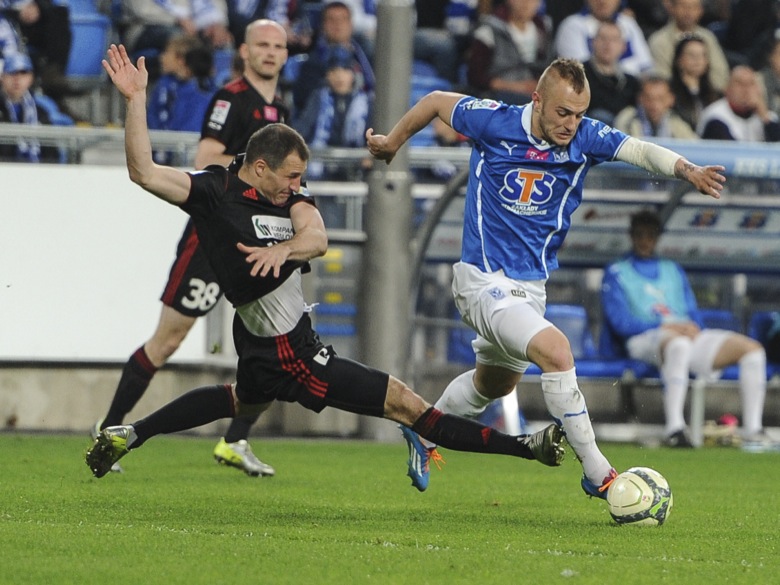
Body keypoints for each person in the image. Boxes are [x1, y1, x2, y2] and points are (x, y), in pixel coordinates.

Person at [85, 43, 566, 481]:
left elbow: (316, 237)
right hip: (289, 350)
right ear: (259, 168)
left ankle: (132, 433)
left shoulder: (288, 196)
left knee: (240, 399)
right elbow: (143, 172)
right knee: (407, 405)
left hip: (263, 339)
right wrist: (135, 100)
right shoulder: (214, 191)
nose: (298, 186)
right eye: (291, 177)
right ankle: (528, 448)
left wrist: (284, 249)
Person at [366, 57, 725, 495]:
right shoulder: (494, 121)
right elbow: (437, 101)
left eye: (579, 114)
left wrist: (687, 170)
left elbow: (639, 150)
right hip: (482, 278)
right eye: (562, 112)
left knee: (493, 384)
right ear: (537, 100)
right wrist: (392, 143)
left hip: (530, 286)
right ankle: (600, 474)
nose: (571, 124)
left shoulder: (585, 137)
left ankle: (422, 431)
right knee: (557, 351)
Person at [93, 19, 290, 478]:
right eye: (262, 44)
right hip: (213, 236)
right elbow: (205, 160)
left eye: (278, 46)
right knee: (168, 339)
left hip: (256, 240)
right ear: (244, 51)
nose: (270, 52)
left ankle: (235, 440)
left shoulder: (280, 107)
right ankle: (109, 427)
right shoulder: (231, 98)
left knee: (273, 341)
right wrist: (258, 172)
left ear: (285, 54)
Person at [600, 210, 769, 448]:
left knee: (753, 350)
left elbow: (691, 312)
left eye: (650, 235)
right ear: (631, 236)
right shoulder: (617, 271)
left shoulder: (672, 269)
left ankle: (754, 431)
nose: (645, 241)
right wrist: (666, 325)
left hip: (685, 336)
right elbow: (621, 323)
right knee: (678, 344)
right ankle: (675, 429)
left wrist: (693, 327)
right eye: (639, 235)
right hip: (643, 339)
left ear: (658, 237)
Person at [292, 45, 372, 181]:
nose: (339, 76)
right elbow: (303, 128)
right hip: (322, 167)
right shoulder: (318, 97)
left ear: (353, 74)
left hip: (355, 169)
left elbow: (373, 135)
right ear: (327, 75)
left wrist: (370, 154)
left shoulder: (366, 102)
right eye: (333, 70)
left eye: (345, 70)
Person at [465, 0, 553, 106]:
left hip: (534, 91)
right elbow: (475, 77)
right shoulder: (489, 30)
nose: (526, 3)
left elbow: (546, 64)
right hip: (498, 95)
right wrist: (515, 87)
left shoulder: (542, 28)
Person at [292, 1, 374, 113]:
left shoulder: (366, 56)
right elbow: (301, 100)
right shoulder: (311, 63)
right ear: (323, 25)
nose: (337, 24)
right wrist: (327, 83)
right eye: (331, 19)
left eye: (343, 19)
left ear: (351, 25)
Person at [147, 35, 217, 164]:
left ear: (181, 60)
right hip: (163, 149)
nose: (162, 57)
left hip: (190, 150)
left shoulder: (202, 91)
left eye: (167, 53)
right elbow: (154, 117)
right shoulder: (164, 85)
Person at [554, 0, 654, 77]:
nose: (602, 1)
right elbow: (581, 72)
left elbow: (646, 67)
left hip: (630, 90)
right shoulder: (572, 26)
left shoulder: (628, 23)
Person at [647, 0, 729, 93]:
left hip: (709, 95)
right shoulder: (659, 40)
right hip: (676, 96)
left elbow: (720, 74)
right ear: (671, 8)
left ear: (701, 10)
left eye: (694, 7)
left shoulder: (708, 37)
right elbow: (663, 77)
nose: (688, 11)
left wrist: (711, 93)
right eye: (683, 6)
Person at [0, 51, 61, 162]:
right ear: (2, 77)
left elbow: (51, 153)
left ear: (31, 78)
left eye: (23, 73)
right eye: (12, 73)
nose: (17, 79)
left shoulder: (40, 112)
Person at [697, 65, 780, 142]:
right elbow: (730, 150)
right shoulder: (715, 116)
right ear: (727, 89)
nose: (746, 90)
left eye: (751, 84)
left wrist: (764, 117)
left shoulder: (768, 117)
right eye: (740, 84)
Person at [582, 20, 640, 125]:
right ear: (593, 42)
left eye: (614, 40)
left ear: (623, 46)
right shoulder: (579, 74)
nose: (608, 44)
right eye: (603, 38)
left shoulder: (631, 82)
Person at [613, 75, 698, 139]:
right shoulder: (626, 120)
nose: (654, 104)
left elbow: (694, 148)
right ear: (640, 98)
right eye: (649, 98)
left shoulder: (678, 121)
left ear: (671, 99)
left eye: (660, 99)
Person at [668, 34, 721, 132]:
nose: (697, 60)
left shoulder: (716, 95)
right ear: (679, 59)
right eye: (691, 55)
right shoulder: (669, 93)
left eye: (702, 55)